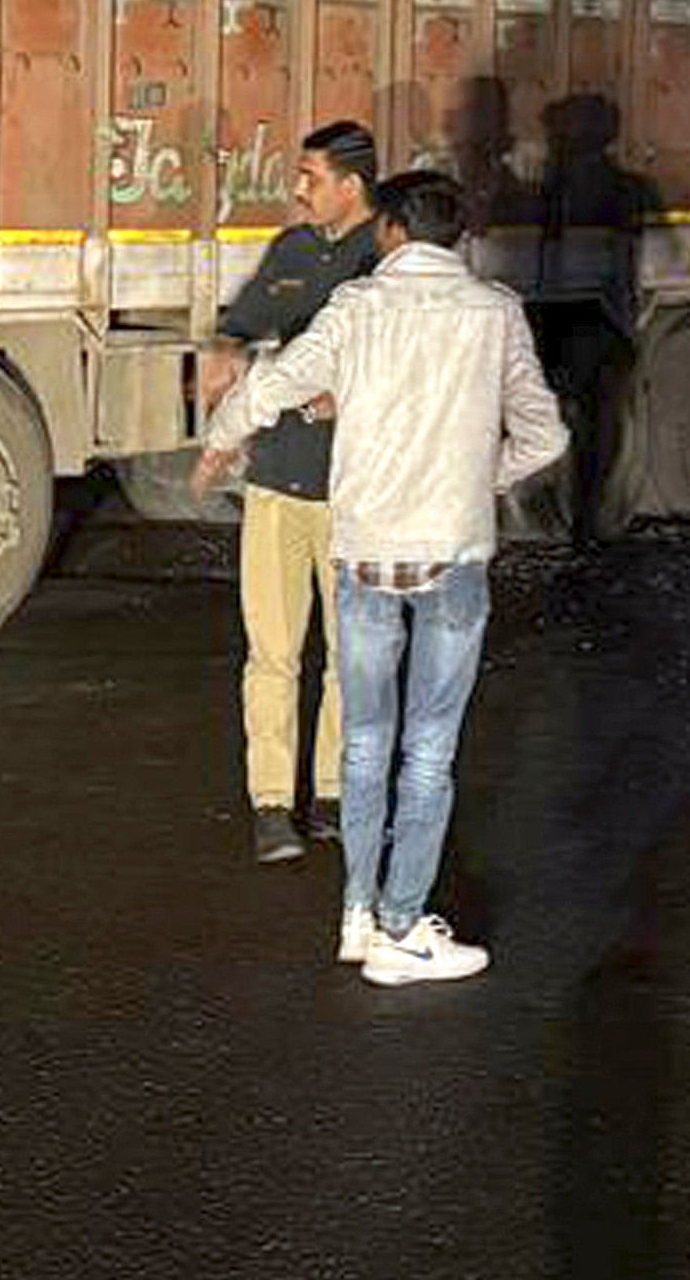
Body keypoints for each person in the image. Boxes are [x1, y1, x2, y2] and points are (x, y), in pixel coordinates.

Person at [196, 170, 569, 985]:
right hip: (451, 557)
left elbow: (270, 387)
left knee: (365, 744)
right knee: (428, 752)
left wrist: (220, 438)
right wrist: (480, 477)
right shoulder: (494, 312)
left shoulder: (356, 309)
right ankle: (403, 928)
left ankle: (360, 915)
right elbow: (544, 435)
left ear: (391, 230)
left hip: (365, 551)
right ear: (457, 235)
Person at [203, 119, 385, 865]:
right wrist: (223, 349)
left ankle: (335, 794)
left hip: (356, 485)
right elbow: (242, 322)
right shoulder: (292, 250)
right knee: (271, 652)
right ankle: (272, 803)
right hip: (277, 479)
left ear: (351, 183)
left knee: (352, 652)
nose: (297, 189)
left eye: (309, 176)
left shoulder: (391, 257)